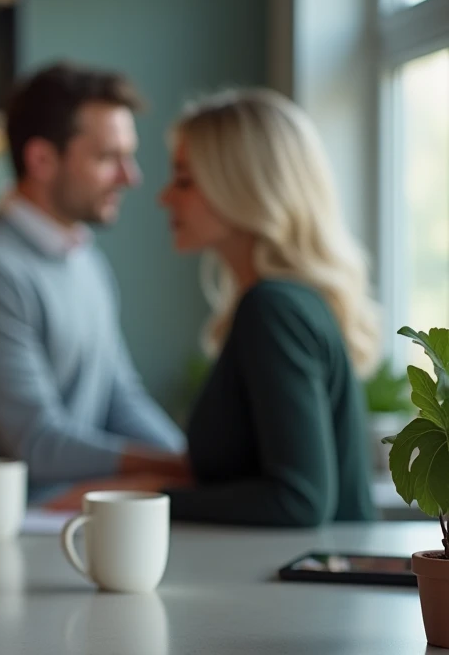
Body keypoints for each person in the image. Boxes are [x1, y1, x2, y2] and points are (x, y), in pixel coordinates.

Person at [0, 62, 187, 506]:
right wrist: (179, 467)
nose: (132, 177)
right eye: (109, 158)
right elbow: (38, 442)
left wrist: (190, 459)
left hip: (67, 514)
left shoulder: (85, 258)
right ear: (42, 160)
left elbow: (119, 396)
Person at [154, 88, 379, 526]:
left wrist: (154, 499)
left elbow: (299, 500)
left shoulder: (273, 308)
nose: (166, 197)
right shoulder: (284, 303)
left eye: (184, 180)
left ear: (242, 188)